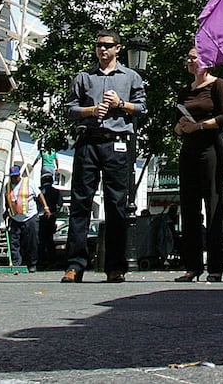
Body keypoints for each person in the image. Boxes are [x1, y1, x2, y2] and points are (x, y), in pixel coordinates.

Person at [62, 29, 146, 284]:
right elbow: (69, 109)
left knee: (117, 205)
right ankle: (75, 265)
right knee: (80, 203)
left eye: (107, 46)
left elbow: (142, 107)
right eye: (99, 45)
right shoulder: (84, 77)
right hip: (88, 142)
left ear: (118, 48)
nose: (102, 50)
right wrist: (90, 110)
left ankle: (115, 267)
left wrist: (121, 104)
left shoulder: (131, 77)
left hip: (117, 144)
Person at [173, 45, 223, 282]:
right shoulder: (184, 92)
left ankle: (216, 267)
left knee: (213, 206)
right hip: (188, 150)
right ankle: (192, 266)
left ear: (206, 61)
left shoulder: (218, 85)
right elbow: (176, 123)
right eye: (188, 58)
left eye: (194, 58)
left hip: (211, 150)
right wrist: (181, 127)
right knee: (189, 208)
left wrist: (200, 125)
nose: (190, 61)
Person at [5, 165, 41, 271]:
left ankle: (32, 263)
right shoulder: (7, 186)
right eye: (11, 177)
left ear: (19, 175)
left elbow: (39, 195)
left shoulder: (29, 183)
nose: (13, 179)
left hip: (30, 216)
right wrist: (6, 212)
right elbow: (7, 200)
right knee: (14, 242)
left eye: (15, 176)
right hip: (15, 218)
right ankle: (16, 264)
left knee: (31, 241)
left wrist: (46, 207)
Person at [37, 170, 62, 269]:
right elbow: (60, 203)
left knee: (40, 240)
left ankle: (40, 260)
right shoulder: (56, 191)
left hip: (39, 217)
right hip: (51, 217)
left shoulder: (39, 190)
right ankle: (52, 260)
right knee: (50, 240)